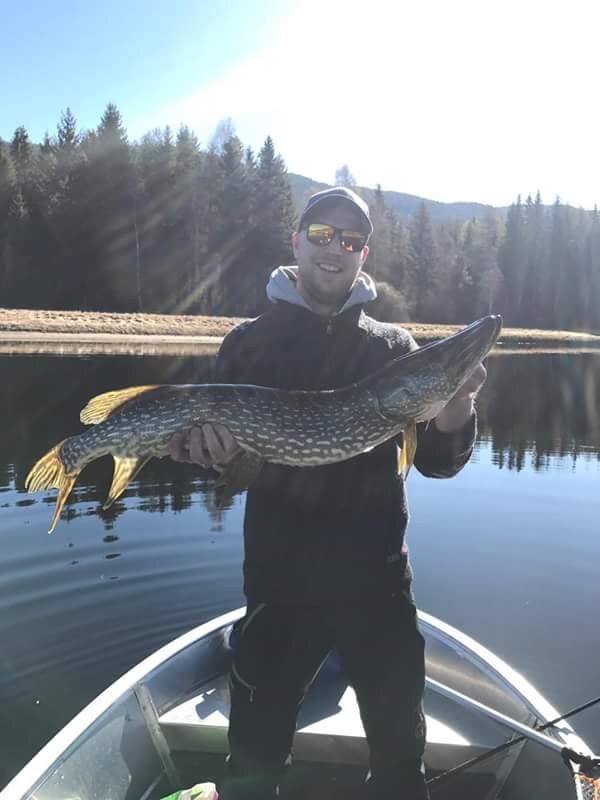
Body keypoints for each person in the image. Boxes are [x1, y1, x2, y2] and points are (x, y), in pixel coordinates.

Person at [169, 187, 486, 799]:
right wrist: (206, 456)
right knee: (255, 759)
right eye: (321, 235)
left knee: (400, 755)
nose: (334, 249)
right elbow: (221, 458)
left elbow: (440, 464)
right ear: (296, 243)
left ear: (363, 255)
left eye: (350, 241)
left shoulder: (394, 349)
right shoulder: (248, 343)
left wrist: (458, 406)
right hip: (280, 583)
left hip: (378, 584)